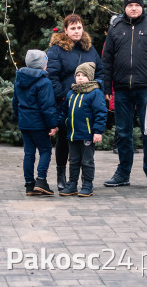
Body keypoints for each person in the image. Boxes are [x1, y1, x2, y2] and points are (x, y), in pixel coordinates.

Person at [102, 0, 147, 189]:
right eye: (130, 5)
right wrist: (107, 87)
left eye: (137, 5)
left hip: (146, 89)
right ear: (124, 7)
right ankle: (123, 173)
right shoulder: (116, 27)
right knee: (123, 133)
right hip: (122, 89)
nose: (133, 8)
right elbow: (107, 60)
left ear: (142, 7)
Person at [46, 14, 104, 191]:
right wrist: (66, 95)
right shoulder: (56, 50)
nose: (77, 31)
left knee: (86, 141)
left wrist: (97, 88)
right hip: (66, 102)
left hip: (87, 105)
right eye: (73, 28)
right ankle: (62, 176)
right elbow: (52, 76)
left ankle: (86, 179)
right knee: (65, 140)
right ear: (65, 30)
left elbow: (100, 72)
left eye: (79, 27)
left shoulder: (90, 50)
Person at [13, 50, 59, 196]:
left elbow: (15, 102)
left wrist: (20, 118)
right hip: (39, 124)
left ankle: (29, 185)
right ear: (43, 64)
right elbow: (47, 106)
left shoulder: (19, 79)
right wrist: (52, 124)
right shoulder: (44, 82)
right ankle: (41, 181)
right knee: (45, 150)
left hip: (24, 123)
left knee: (29, 153)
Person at [59, 62, 108, 197]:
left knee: (87, 161)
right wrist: (61, 124)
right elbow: (64, 112)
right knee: (73, 160)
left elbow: (101, 112)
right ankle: (72, 184)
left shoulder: (95, 93)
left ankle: (87, 184)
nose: (80, 78)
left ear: (90, 77)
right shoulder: (71, 93)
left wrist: (98, 131)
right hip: (73, 134)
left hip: (87, 134)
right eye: (78, 75)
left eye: (84, 75)